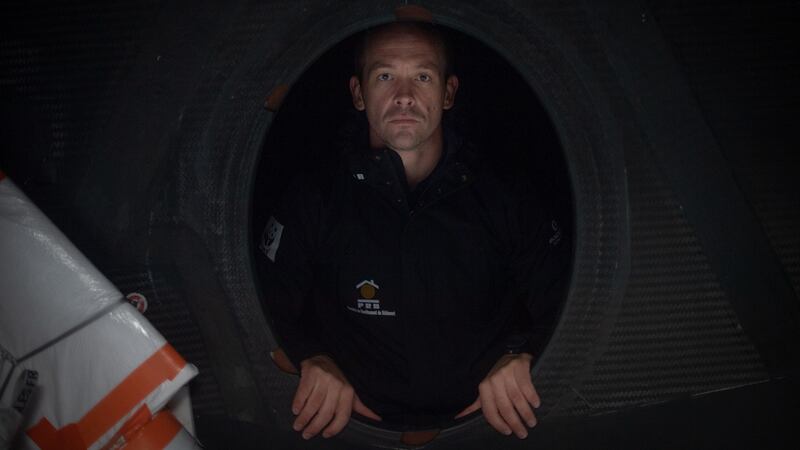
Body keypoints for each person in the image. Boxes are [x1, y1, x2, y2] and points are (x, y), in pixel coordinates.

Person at [258, 21, 570, 441]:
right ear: (358, 93)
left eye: (422, 77)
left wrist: (524, 353)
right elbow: (261, 302)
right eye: (385, 76)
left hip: (492, 430)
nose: (404, 95)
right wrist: (311, 357)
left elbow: (570, 298)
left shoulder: (504, 196)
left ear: (448, 93)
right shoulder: (316, 196)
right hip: (349, 434)